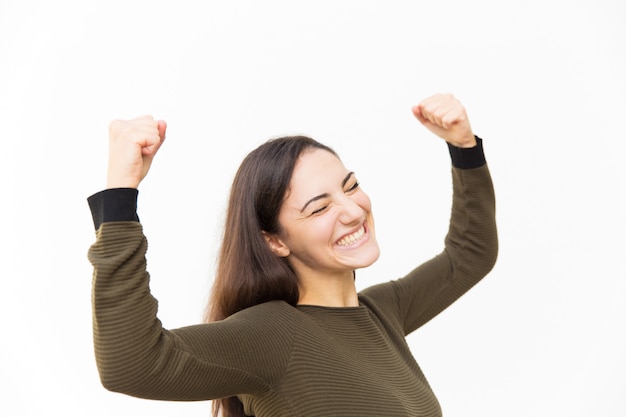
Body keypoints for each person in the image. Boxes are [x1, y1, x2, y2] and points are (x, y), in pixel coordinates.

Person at [87, 93, 498, 417]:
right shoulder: (273, 334)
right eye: (319, 208)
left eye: (350, 186)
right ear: (275, 241)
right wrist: (120, 194)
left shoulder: (381, 314)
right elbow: (133, 364)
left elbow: (470, 255)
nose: (353, 211)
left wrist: (463, 147)